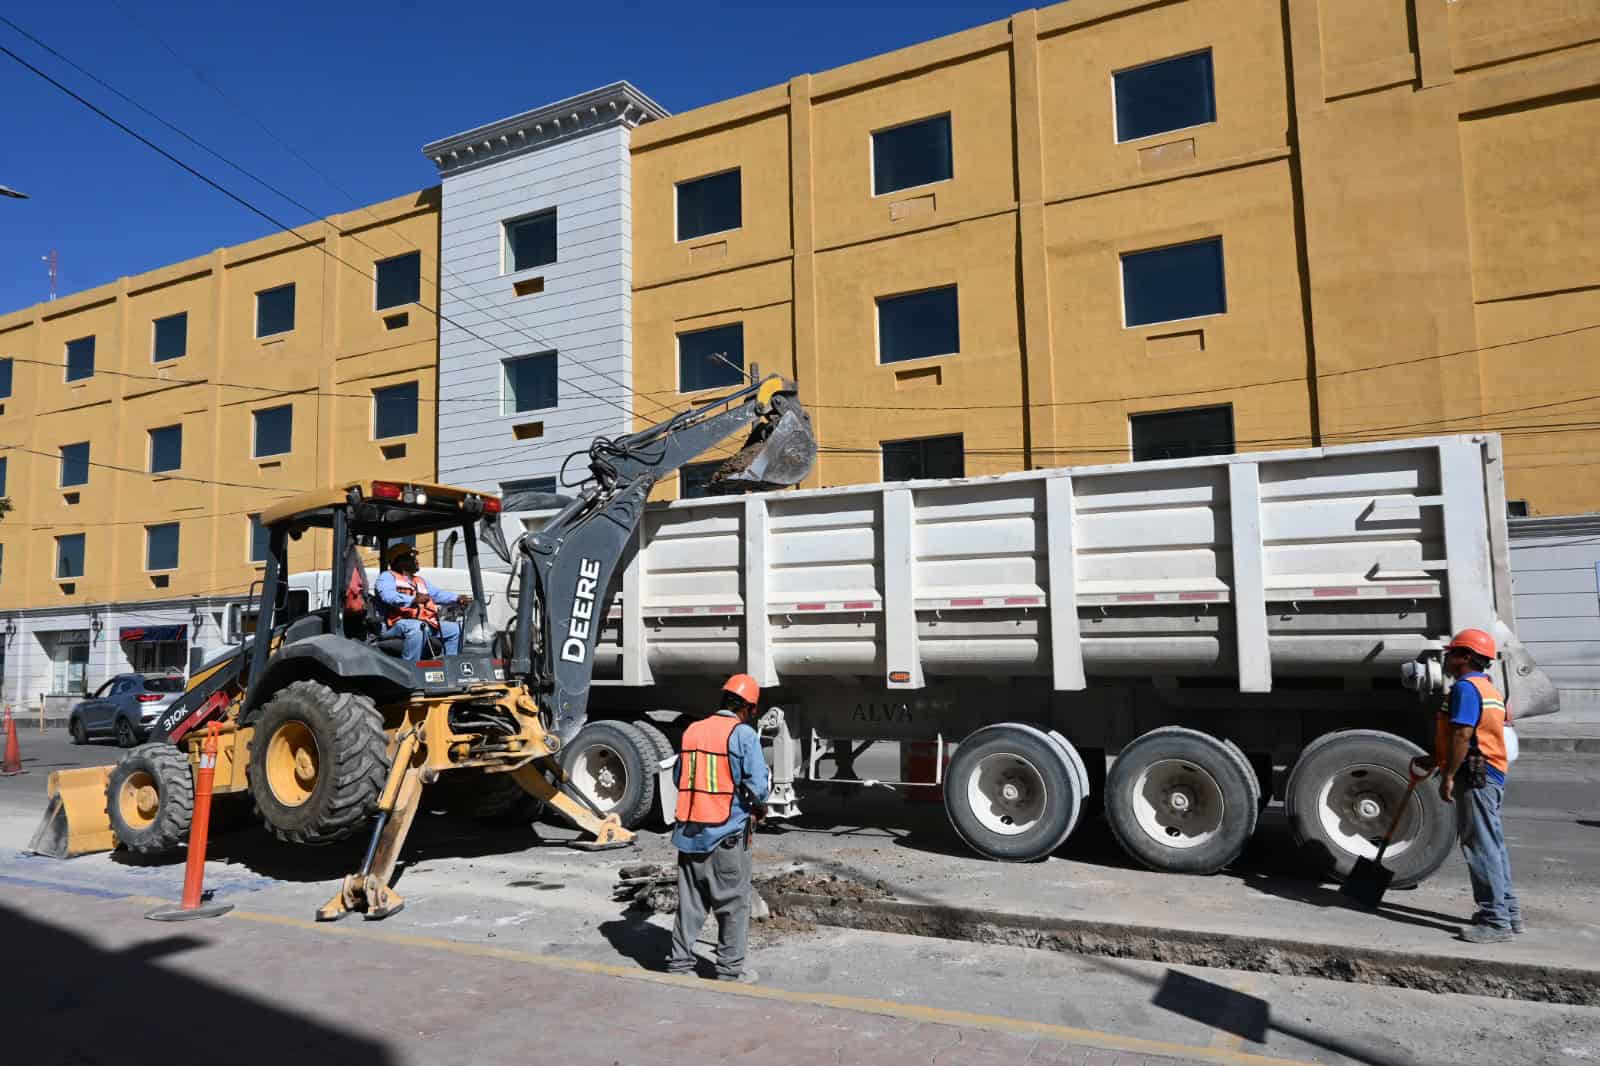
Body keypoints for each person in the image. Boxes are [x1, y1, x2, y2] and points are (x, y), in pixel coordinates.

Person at [1411, 628, 1521, 944]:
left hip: (1476, 774)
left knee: (1480, 845)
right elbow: (1472, 736)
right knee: (1493, 843)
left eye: (1453, 652)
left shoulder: (1466, 689)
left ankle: (1495, 921)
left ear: (1467, 658)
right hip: (1490, 771)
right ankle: (1508, 913)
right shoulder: (1488, 689)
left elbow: (1463, 736)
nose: (1447, 657)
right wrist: (1435, 758)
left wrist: (1447, 775)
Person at [668, 673, 770, 984]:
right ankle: (729, 971)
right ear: (749, 708)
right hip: (726, 835)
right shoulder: (743, 735)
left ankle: (679, 965)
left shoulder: (693, 731)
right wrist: (760, 810)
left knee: (690, 904)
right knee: (733, 906)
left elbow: (678, 778)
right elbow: (757, 788)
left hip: (688, 833)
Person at [375, 544, 467, 661]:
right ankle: (411, 668)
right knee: (417, 627)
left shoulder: (419, 580)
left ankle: (450, 665)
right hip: (396, 624)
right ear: (400, 561)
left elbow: (437, 594)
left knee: (456, 629)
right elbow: (388, 596)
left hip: (424, 622)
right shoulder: (386, 577)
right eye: (412, 557)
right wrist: (412, 600)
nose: (416, 561)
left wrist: (457, 598)